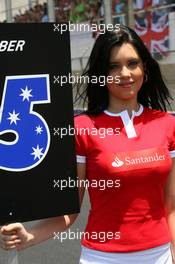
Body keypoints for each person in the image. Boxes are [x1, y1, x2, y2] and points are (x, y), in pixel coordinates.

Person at [1, 25, 175, 264]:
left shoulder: (167, 124)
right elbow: (70, 212)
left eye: (132, 63)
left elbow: (171, 207)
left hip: (160, 256)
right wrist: (28, 237)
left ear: (145, 68)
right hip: (102, 257)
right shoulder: (82, 128)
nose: (125, 73)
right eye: (113, 66)